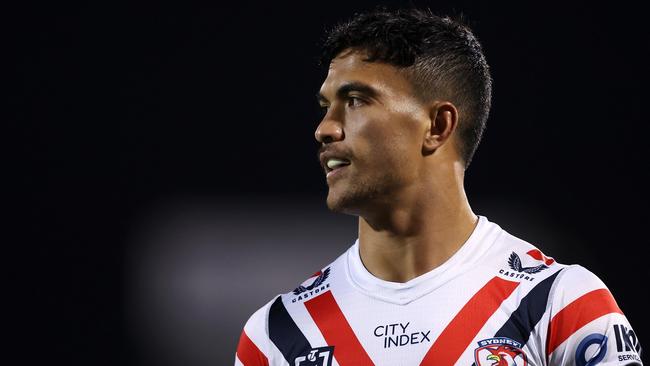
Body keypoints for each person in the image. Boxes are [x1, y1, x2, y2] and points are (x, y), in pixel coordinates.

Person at [234, 8, 643, 366]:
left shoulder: (560, 305)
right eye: (326, 108)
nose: (325, 129)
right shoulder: (278, 336)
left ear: (438, 125)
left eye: (356, 100)